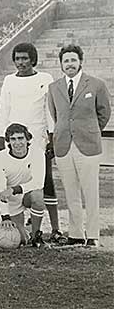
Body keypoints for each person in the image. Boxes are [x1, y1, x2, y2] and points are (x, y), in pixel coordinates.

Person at [0, 42, 62, 242]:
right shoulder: (9, 80)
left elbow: (48, 110)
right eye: (17, 58)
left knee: (45, 183)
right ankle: (11, 220)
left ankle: (56, 228)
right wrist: (1, 138)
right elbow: (4, 110)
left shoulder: (45, 78)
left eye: (25, 58)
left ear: (33, 59)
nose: (21, 62)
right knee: (13, 179)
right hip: (15, 139)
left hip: (38, 137)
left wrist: (51, 137)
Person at [48, 44, 111, 247]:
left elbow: (104, 113)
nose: (70, 64)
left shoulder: (96, 85)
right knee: (70, 190)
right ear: (61, 64)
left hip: (88, 145)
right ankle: (75, 233)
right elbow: (56, 114)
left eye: (73, 60)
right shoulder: (54, 87)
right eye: (66, 61)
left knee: (90, 190)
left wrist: (90, 130)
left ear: (80, 62)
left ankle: (92, 234)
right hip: (64, 145)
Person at [0, 123, 46, 248]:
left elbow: (38, 182)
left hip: (27, 194)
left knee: (38, 195)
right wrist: (5, 217)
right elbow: (0, 189)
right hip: (11, 200)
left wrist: (15, 189)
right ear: (8, 141)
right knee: (20, 240)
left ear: (27, 139)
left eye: (20, 138)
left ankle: (36, 235)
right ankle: (25, 230)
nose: (17, 143)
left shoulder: (38, 153)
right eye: (13, 139)